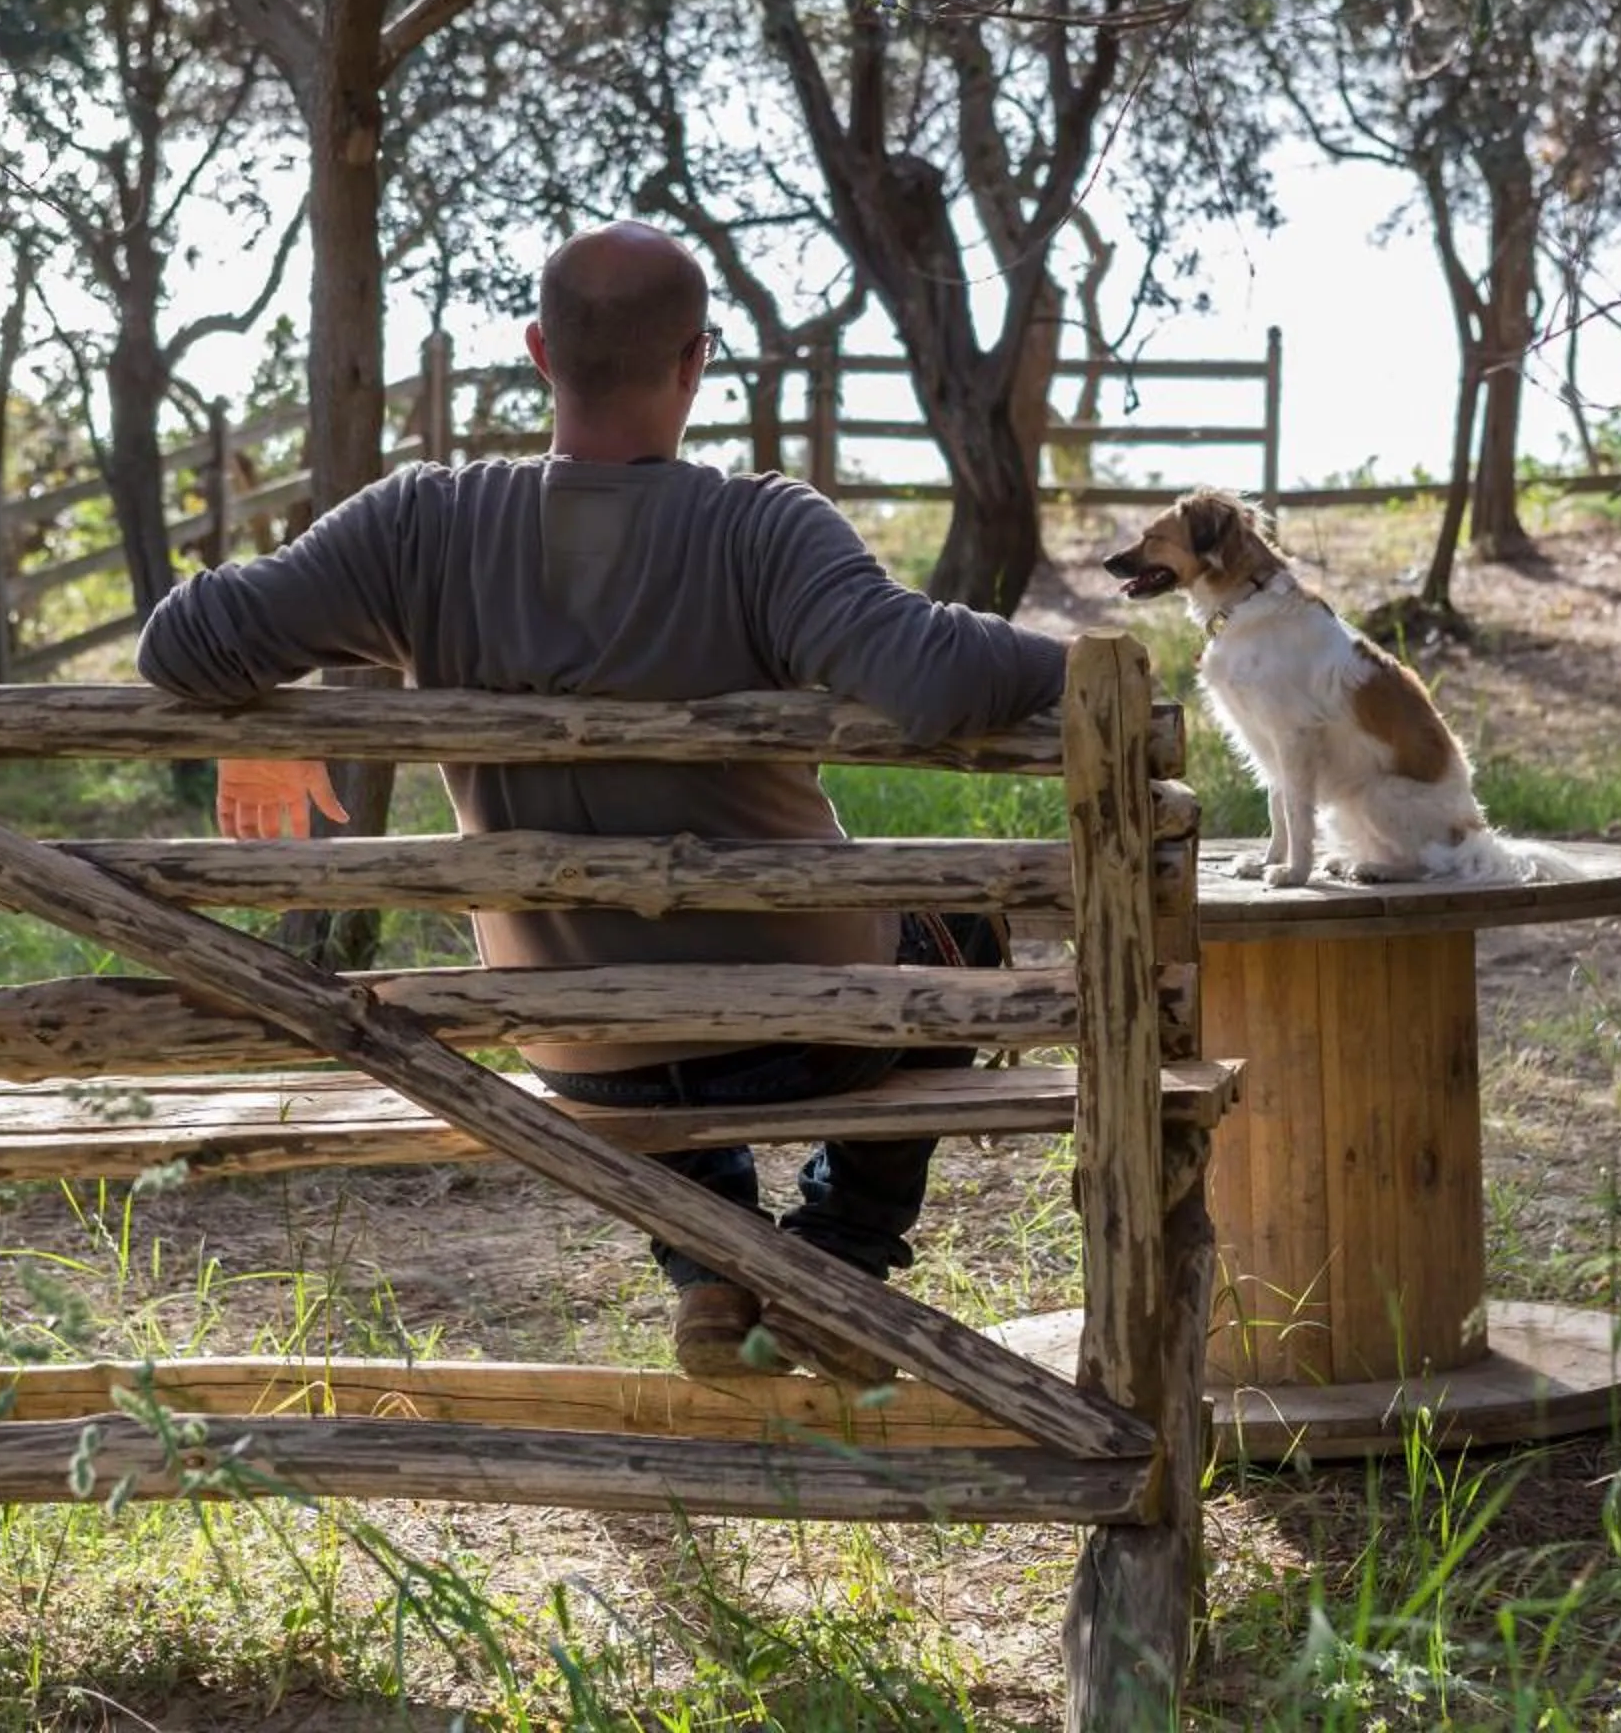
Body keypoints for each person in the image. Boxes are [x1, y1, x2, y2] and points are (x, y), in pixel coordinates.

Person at [135, 222, 1066, 1382]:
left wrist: (260, 707)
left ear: (539, 350)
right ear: (696, 361)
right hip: (813, 1030)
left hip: (585, 1044)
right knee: (962, 932)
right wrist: (1078, 665)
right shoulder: (761, 528)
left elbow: (183, 642)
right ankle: (837, 1255)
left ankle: (713, 1267)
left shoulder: (421, 525)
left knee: (656, 1019)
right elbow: (935, 675)